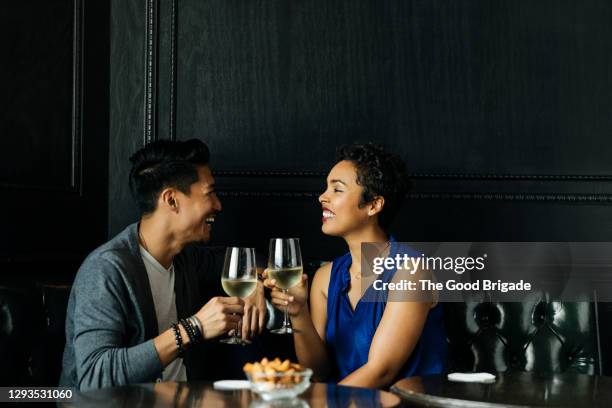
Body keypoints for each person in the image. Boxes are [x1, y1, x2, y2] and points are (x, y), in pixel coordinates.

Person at [60, 139, 268, 390]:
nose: (218, 204)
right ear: (171, 200)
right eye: (210, 193)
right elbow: (94, 377)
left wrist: (255, 283)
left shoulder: (187, 258)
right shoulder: (106, 270)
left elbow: (251, 260)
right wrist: (195, 328)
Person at [265, 143, 447, 389]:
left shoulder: (412, 271)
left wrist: (314, 405)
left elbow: (381, 372)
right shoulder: (325, 277)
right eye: (326, 187)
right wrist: (298, 312)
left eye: (337, 189)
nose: (322, 197)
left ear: (374, 205)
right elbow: (318, 372)